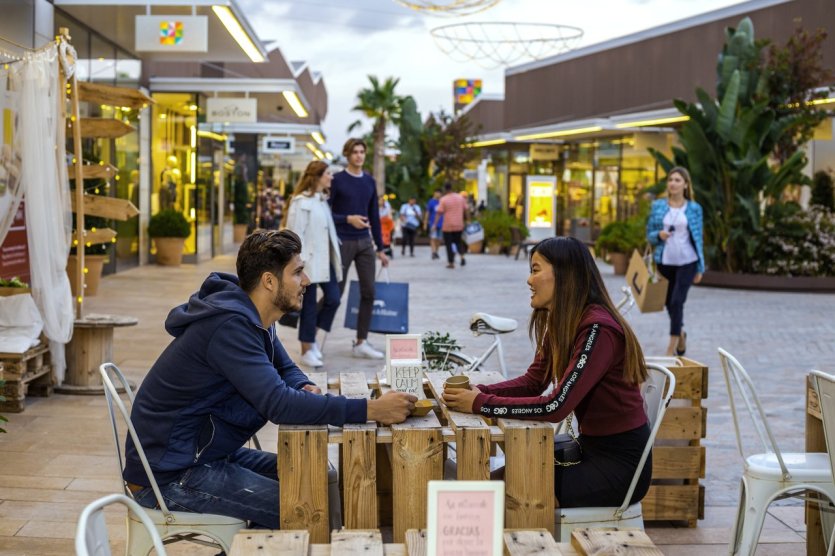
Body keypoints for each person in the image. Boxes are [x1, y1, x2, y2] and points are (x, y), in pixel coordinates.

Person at [123, 229, 416, 529]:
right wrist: (370, 410)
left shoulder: (254, 316)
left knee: (318, 477)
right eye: (298, 272)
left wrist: (303, 386)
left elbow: (286, 370)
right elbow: (279, 404)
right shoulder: (230, 327)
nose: (306, 281)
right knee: (306, 508)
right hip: (167, 476)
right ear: (269, 281)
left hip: (203, 455)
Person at [443, 237, 652, 509]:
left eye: (536, 269)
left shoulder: (597, 330)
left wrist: (482, 403)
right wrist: (479, 391)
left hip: (620, 468)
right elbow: (533, 382)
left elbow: (556, 406)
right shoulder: (565, 321)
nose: (529, 280)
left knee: (515, 491)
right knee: (502, 481)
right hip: (587, 450)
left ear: (564, 274)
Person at [329, 138, 389, 359]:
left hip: (365, 243)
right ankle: (312, 336)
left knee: (369, 292)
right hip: (343, 242)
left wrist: (381, 249)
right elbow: (327, 214)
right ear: (347, 154)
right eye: (355, 152)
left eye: (362, 151)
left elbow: (374, 215)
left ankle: (361, 342)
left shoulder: (369, 182)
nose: (359, 155)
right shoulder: (336, 180)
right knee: (335, 293)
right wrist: (348, 219)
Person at [283, 161, 342, 368]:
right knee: (307, 306)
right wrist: (298, 264)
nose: (331, 177)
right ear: (317, 177)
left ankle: (311, 337)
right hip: (308, 262)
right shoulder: (301, 202)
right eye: (328, 174)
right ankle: (306, 348)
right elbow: (294, 233)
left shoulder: (321, 200)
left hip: (326, 261)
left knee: (334, 299)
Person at [646, 166, 704, 356]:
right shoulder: (658, 207)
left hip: (688, 261)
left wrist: (700, 267)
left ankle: (671, 348)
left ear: (686, 185)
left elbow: (698, 238)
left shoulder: (695, 209)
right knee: (669, 303)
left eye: (678, 180)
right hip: (664, 261)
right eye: (671, 180)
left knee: (677, 301)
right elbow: (649, 235)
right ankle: (680, 334)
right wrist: (659, 235)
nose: (673, 183)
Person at [435, 183, 467, 269]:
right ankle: (462, 257)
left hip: (447, 225)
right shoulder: (460, 198)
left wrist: (435, 224)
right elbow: (466, 209)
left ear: (445, 189)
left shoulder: (443, 199)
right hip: (458, 224)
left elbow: (439, 213)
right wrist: (467, 220)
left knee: (449, 244)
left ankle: (451, 262)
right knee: (458, 242)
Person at [424, 189, 443, 260]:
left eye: (440, 193)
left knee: (439, 239)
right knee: (433, 238)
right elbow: (428, 212)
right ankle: (433, 252)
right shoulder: (431, 202)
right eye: (437, 193)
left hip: (441, 223)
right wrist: (425, 222)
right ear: (434, 193)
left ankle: (437, 252)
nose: (439, 194)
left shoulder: (442, 201)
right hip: (432, 223)